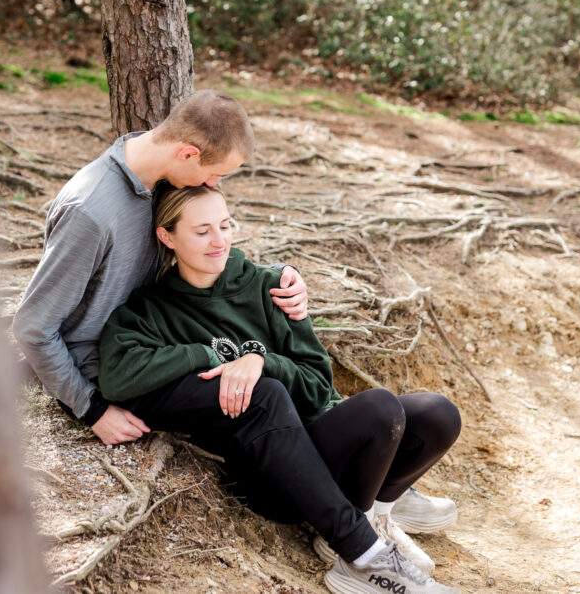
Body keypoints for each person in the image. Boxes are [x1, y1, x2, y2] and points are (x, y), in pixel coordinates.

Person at [98, 185, 463, 594]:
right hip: (272, 472)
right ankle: (357, 551)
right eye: (202, 231)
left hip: (326, 439)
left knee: (438, 414)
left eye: (224, 225)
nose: (219, 241)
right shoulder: (153, 310)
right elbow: (117, 376)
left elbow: (317, 386)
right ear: (167, 236)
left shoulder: (272, 287)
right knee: (378, 407)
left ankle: (376, 513)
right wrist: (206, 354)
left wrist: (262, 361)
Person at [12, 90, 309, 446]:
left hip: (161, 341)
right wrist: (92, 410)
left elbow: (203, 244)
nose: (214, 185)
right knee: (265, 398)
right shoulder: (90, 213)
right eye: (215, 174)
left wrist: (282, 275)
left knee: (284, 385)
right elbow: (33, 327)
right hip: (112, 371)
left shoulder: (163, 179)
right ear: (188, 153)